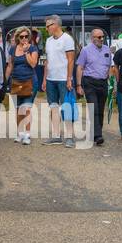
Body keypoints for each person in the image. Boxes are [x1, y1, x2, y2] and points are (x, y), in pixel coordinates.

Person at [40, 15, 76, 147]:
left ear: (56, 25)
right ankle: (56, 136)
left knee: (67, 107)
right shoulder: (49, 40)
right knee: (53, 107)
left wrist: (69, 78)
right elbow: (47, 61)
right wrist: (44, 79)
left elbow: (71, 59)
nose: (46, 28)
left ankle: (69, 137)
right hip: (50, 79)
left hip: (63, 78)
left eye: (48, 25)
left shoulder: (67, 39)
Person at [76, 28, 113, 145]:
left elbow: (110, 67)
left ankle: (96, 131)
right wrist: (78, 85)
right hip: (89, 82)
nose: (101, 39)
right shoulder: (85, 50)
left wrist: (111, 82)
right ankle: (98, 136)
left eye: (103, 37)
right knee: (94, 108)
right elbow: (80, 68)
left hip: (103, 83)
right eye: (99, 37)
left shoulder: (107, 50)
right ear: (92, 38)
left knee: (101, 108)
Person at [4, 27, 39, 145]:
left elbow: (33, 64)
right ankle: (20, 133)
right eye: (21, 37)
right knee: (19, 110)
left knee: (27, 109)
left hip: (30, 81)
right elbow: (10, 66)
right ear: (18, 37)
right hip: (16, 82)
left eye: (26, 36)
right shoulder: (13, 49)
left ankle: (27, 134)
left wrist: (25, 52)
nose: (24, 39)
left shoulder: (33, 48)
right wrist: (5, 80)